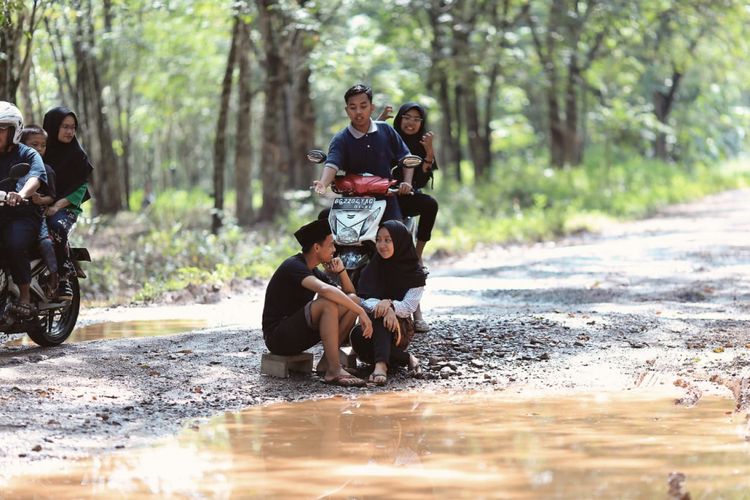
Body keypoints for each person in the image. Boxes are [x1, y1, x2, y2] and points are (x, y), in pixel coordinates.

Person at [262, 218, 373, 387]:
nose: (335, 250)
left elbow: (350, 294)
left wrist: (342, 271)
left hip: (297, 333)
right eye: (331, 245)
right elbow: (325, 291)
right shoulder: (293, 266)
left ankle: (326, 364)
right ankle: (334, 370)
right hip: (278, 338)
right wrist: (362, 311)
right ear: (316, 247)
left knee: (352, 301)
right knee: (328, 303)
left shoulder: (313, 269)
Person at [380, 102, 440, 332]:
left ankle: (418, 252)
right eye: (407, 117)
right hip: (380, 197)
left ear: (422, 123)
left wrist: (429, 152)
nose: (411, 122)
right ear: (400, 118)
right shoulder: (388, 136)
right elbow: (368, 142)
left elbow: (423, 182)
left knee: (430, 205)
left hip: (405, 199)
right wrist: (381, 118)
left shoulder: (423, 143)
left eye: (417, 119)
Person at [312, 84, 411, 222]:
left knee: (396, 235)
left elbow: (406, 158)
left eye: (363, 106)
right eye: (353, 108)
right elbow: (332, 164)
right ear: (347, 110)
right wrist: (323, 183)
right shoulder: (341, 139)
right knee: (337, 234)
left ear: (372, 108)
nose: (358, 111)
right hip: (352, 202)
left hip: (386, 200)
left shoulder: (386, 131)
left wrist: (407, 183)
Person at [350, 220, 426, 385]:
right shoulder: (372, 268)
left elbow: (408, 307)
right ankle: (407, 358)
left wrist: (390, 305)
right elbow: (362, 300)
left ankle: (381, 365)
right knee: (357, 335)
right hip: (369, 332)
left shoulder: (415, 273)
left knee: (379, 315)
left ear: (400, 241)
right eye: (378, 240)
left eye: (388, 240)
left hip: (399, 330)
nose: (382, 245)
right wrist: (385, 306)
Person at [0, 102, 47, 317]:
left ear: (14, 130)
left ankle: (25, 296)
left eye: (1, 129)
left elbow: (35, 177)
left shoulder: (27, 154)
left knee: (14, 243)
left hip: (23, 215)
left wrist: (21, 194)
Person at [42, 106, 93, 300]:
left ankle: (63, 277)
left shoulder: (77, 155)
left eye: (73, 127)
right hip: (38, 204)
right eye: (64, 127)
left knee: (55, 226)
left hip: (66, 208)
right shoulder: (39, 149)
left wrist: (56, 206)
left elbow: (79, 189)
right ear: (53, 127)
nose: (70, 132)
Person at [20, 125, 60, 299]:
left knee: (44, 243)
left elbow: (52, 196)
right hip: (13, 215)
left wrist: (40, 200)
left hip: (36, 215)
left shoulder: (46, 170)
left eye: (42, 145)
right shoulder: (12, 166)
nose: (39, 149)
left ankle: (54, 275)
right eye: (33, 144)